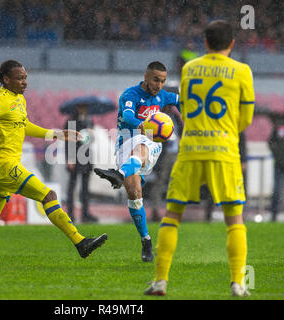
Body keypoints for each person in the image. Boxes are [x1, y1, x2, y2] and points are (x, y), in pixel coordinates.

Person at [0, 60, 107, 264]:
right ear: (6, 80)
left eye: (25, 78)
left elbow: (25, 126)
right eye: (19, 78)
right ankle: (81, 243)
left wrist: (58, 134)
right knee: (48, 195)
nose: (24, 82)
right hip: (2, 165)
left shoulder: (19, 100)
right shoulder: (0, 101)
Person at [144, 20, 255, 297]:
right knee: (234, 219)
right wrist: (225, 130)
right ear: (231, 43)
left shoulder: (189, 69)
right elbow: (246, 118)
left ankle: (160, 281)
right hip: (224, 151)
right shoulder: (242, 71)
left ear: (205, 43)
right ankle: (238, 284)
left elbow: (184, 111)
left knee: (172, 216)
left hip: (191, 150)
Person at [94, 61, 180, 262]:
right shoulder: (130, 95)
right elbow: (128, 116)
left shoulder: (164, 95)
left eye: (163, 81)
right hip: (125, 144)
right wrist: (143, 124)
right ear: (146, 76)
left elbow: (182, 100)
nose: (159, 85)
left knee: (142, 146)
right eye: (156, 80)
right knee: (134, 194)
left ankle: (119, 174)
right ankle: (146, 240)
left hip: (151, 141)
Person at [65, 104, 98, 223]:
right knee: (72, 187)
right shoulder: (71, 121)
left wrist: (92, 134)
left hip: (86, 157)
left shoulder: (90, 120)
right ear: (78, 108)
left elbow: (90, 141)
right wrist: (70, 158)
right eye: (82, 107)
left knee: (85, 188)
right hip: (75, 158)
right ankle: (70, 214)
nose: (84, 109)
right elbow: (68, 141)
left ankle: (85, 213)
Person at [268, 117, 284, 221]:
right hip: (279, 164)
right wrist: (277, 155)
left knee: (276, 190)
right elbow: (270, 142)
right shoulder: (279, 127)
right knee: (276, 190)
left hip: (278, 162)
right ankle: (273, 215)